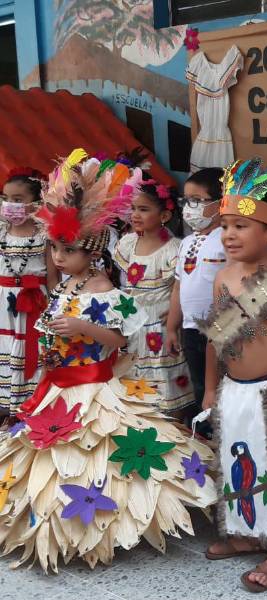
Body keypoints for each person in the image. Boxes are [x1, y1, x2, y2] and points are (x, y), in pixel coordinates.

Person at [0, 150, 216, 571]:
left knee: (97, 453)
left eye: (67, 251)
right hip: (58, 385)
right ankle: (56, 523)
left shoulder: (100, 289)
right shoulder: (68, 283)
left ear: (92, 252)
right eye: (55, 250)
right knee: (54, 456)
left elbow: (118, 339)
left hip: (93, 387)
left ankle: (106, 524)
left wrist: (82, 327)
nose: (58, 259)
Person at [198, 159, 267, 592]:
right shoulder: (223, 277)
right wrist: (211, 387)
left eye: (241, 226)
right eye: (225, 225)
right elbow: (215, 339)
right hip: (233, 390)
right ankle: (247, 535)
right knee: (237, 464)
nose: (228, 234)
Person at [113, 178, 192, 417]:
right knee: (132, 380)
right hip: (131, 325)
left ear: (165, 216)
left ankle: (173, 432)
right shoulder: (126, 244)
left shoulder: (175, 249)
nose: (135, 215)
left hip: (160, 325)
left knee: (165, 384)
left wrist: (175, 317)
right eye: (134, 208)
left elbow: (183, 288)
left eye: (144, 209)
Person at [165, 168, 226, 426]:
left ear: (220, 203)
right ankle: (206, 440)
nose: (189, 207)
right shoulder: (186, 242)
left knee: (223, 387)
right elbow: (179, 287)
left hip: (221, 330)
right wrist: (171, 327)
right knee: (201, 387)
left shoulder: (227, 237)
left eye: (197, 200)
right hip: (191, 329)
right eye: (186, 200)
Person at [0, 168, 57, 415]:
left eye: (18, 200)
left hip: (36, 301)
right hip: (3, 303)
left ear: (35, 203)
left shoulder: (45, 234)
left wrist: (55, 307)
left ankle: (30, 407)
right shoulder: (1, 231)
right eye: (6, 198)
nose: (10, 205)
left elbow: (53, 275)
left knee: (32, 349)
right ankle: (6, 410)